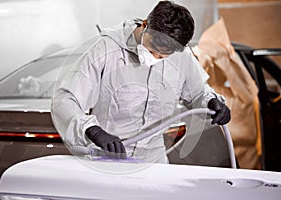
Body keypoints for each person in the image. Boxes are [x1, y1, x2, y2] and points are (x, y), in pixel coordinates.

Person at [51, 0, 231, 163]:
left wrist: (212, 102)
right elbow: (65, 99)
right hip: (110, 155)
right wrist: (93, 130)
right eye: (153, 49)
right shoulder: (106, 49)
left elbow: (198, 94)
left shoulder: (181, 56)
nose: (155, 57)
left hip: (155, 159)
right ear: (145, 25)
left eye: (163, 55)